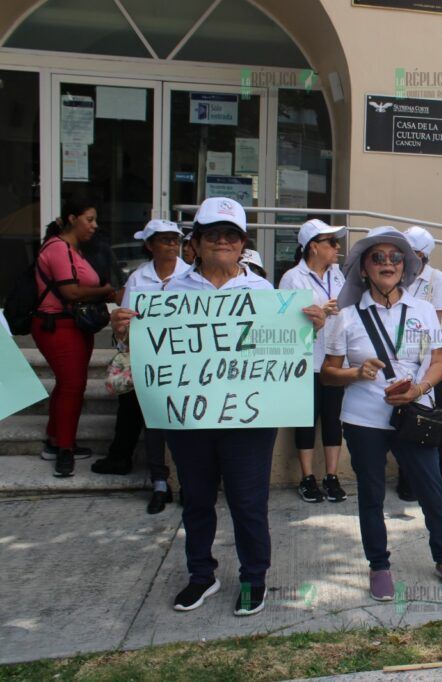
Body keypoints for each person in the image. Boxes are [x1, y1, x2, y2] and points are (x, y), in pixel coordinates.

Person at [110, 197, 327, 616]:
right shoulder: (172, 292)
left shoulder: (265, 292)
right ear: (196, 242)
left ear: (242, 243)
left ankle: (254, 578)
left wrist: (310, 325)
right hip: (190, 416)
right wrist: (125, 334)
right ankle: (200, 576)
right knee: (196, 499)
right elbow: (149, 351)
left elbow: (284, 352)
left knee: (248, 502)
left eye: (231, 235)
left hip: (249, 418)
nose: (222, 241)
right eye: (212, 234)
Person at [321, 227, 442, 602]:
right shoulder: (347, 316)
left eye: (395, 258)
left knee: (432, 491)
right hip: (363, 419)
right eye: (378, 258)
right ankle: (379, 565)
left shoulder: (422, 310)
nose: (387, 263)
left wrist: (417, 390)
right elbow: (328, 372)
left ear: (406, 267)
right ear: (364, 269)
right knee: (371, 495)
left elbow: (436, 362)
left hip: (415, 413)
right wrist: (355, 373)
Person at [91, 220, 189, 515]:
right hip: (149, 360)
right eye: (165, 240)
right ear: (150, 245)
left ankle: (188, 483)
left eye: (176, 240)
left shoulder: (191, 275)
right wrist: (122, 328)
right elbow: (128, 320)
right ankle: (159, 482)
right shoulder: (138, 278)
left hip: (185, 362)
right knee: (154, 424)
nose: (172, 245)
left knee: (185, 428)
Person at [33, 198, 117, 477]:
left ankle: (55, 440)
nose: (94, 226)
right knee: (72, 386)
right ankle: (64, 452)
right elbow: (70, 292)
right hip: (57, 325)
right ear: (72, 219)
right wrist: (105, 290)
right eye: (89, 219)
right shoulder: (58, 249)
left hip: (75, 326)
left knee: (67, 385)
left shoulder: (74, 250)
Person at [278, 219, 347, 504]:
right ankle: (307, 477)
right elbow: (283, 320)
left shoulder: (339, 276)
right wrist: (321, 311)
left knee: (333, 419)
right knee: (306, 420)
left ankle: (331, 476)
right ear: (313, 247)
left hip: (334, 358)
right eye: (331, 242)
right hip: (305, 359)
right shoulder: (293, 278)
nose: (337, 247)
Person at [394, 225, 442, 499]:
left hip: (430, 351)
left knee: (440, 413)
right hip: (400, 354)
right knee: (405, 417)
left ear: (424, 255)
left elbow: (435, 317)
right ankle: (407, 476)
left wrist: (431, 361)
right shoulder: (397, 273)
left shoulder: (436, 278)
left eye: (413, 252)